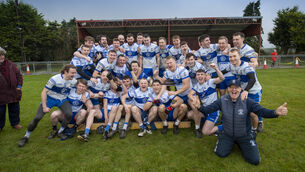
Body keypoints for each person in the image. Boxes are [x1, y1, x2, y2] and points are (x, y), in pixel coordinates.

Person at [196, 79, 288, 165]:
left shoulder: (247, 101)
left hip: (244, 135)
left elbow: (262, 111)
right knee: (220, 154)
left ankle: (248, 138)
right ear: (228, 89)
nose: (234, 90)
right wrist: (199, 107)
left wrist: (275, 112)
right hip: (227, 134)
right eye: (231, 87)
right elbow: (208, 109)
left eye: (236, 87)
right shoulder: (222, 100)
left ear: (240, 89)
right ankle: (222, 136)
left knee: (255, 160)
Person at [18, 64, 77, 147]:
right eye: (72, 73)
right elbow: (44, 92)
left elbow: (82, 86)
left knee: (69, 114)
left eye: (75, 73)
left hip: (62, 99)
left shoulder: (73, 81)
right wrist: (45, 106)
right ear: (65, 72)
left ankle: (60, 131)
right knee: (37, 117)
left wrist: (87, 93)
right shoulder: (54, 79)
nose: (74, 75)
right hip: (50, 99)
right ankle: (26, 137)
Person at [225, 48, 263, 132]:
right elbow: (222, 72)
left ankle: (255, 128)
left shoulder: (247, 66)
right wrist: (208, 75)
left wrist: (245, 90)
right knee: (244, 110)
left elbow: (252, 79)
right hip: (243, 91)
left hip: (254, 91)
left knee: (253, 112)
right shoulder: (231, 66)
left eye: (234, 56)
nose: (232, 58)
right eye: (230, 57)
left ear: (240, 56)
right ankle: (248, 126)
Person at [154, 56, 191, 134]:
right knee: (182, 107)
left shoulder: (182, 70)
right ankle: (176, 123)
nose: (169, 64)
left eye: (171, 62)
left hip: (189, 93)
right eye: (167, 63)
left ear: (175, 62)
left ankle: (199, 125)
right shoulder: (168, 72)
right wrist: (159, 95)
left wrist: (175, 93)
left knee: (193, 109)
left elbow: (186, 85)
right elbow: (164, 83)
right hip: (180, 94)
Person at [187, 66, 224, 138]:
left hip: (213, 111)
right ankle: (201, 125)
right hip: (205, 110)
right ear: (196, 77)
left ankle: (224, 126)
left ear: (205, 76)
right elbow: (189, 94)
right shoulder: (197, 86)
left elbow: (222, 78)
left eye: (201, 74)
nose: (200, 76)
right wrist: (194, 99)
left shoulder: (210, 82)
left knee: (205, 132)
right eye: (198, 75)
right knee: (189, 115)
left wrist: (216, 69)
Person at [0, 47, 23, 132]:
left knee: (14, 109)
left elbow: (19, 75)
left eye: (2, 54)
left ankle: (15, 123)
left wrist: (19, 86)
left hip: (13, 91)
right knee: (0, 111)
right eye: (0, 55)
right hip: (1, 93)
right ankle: (0, 126)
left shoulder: (11, 64)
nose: (2, 57)